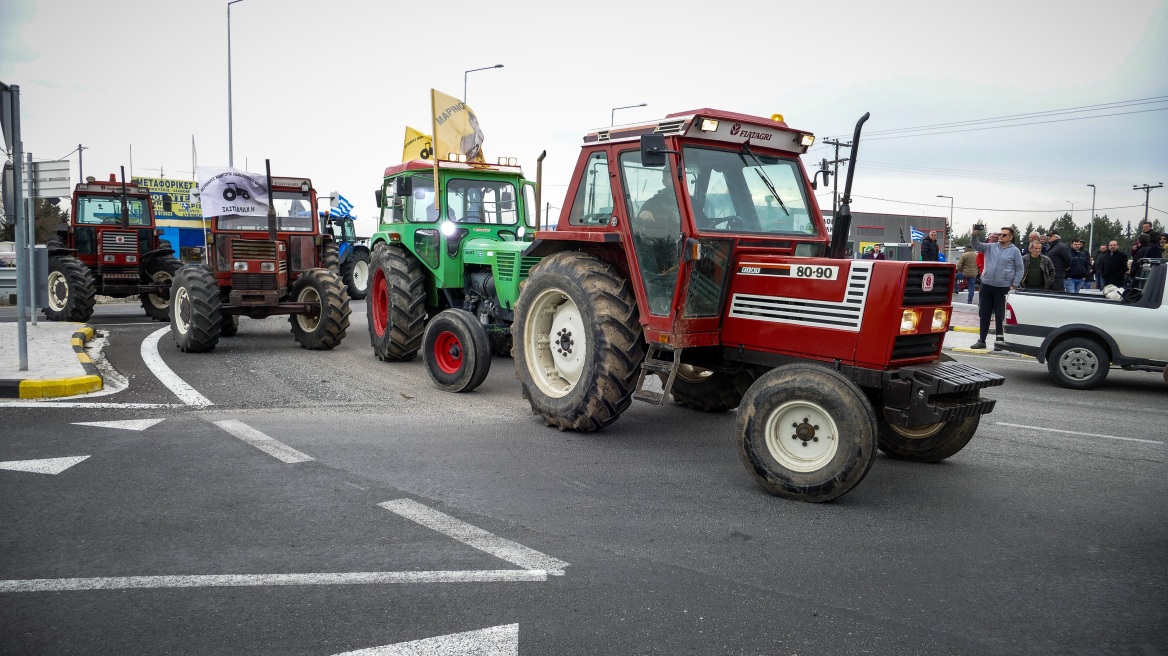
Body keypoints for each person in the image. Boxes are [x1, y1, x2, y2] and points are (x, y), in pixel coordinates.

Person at [969, 225, 1023, 350]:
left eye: (1004, 235)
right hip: (987, 285)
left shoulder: (1014, 251)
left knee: (1000, 314)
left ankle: (999, 340)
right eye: (1000, 234)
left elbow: (1019, 269)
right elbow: (976, 246)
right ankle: (982, 340)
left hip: (1003, 287)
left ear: (1010, 237)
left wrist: (1014, 284)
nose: (1001, 236)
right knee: (984, 313)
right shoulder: (990, 247)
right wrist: (974, 235)